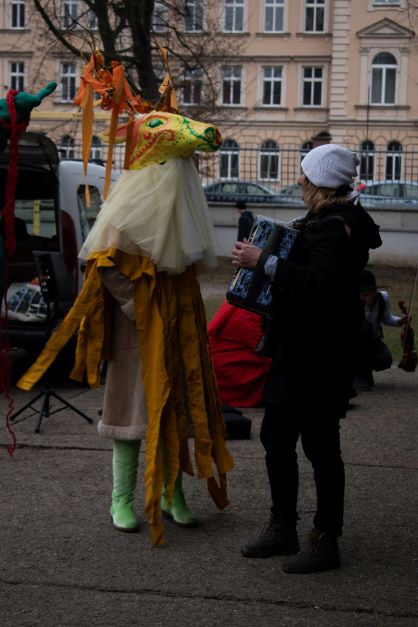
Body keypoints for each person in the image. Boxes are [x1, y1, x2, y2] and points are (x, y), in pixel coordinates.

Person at [232, 143, 382, 573]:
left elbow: (320, 286)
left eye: (304, 175)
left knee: (320, 446)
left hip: (322, 354)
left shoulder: (341, 228)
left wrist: (265, 261)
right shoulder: (323, 222)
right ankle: (283, 526)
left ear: (319, 182)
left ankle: (325, 539)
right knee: (276, 437)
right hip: (296, 347)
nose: (299, 182)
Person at [208, 300, 271, 407]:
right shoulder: (249, 313)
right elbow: (271, 352)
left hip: (221, 374)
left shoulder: (240, 301)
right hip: (229, 381)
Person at [353, 269, 408, 392]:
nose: (362, 297)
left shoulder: (382, 299)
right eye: (360, 294)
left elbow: (387, 318)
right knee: (364, 329)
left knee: (384, 359)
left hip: (372, 341)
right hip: (355, 343)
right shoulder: (352, 302)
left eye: (366, 294)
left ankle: (365, 373)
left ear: (374, 291)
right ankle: (357, 375)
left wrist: (400, 321)